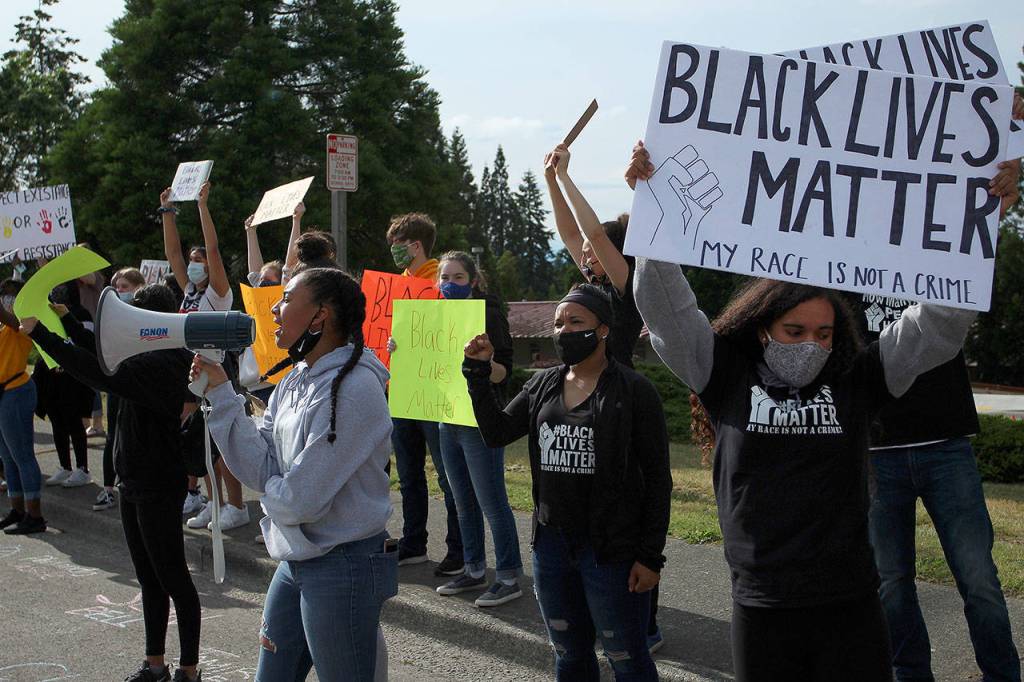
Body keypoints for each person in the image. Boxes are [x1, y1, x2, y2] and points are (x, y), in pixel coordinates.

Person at [627, 139, 983, 681]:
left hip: (852, 602)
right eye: (794, 332)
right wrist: (654, 211)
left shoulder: (859, 378)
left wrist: (970, 216)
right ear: (762, 326)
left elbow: (937, 327)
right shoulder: (723, 371)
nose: (809, 345)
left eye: (823, 333)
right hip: (762, 605)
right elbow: (666, 305)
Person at [858, 156, 1022, 682]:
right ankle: (910, 674)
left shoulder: (932, 236)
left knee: (979, 579)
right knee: (890, 582)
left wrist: (1001, 186)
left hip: (945, 441)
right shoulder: (831, 253)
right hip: (875, 450)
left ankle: (1002, 674)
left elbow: (977, 233)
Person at [195, 268, 398, 681]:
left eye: (286, 298)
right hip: (297, 559)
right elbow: (261, 463)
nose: (274, 307)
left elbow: (300, 499)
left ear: (319, 316)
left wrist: (272, 493)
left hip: (343, 566)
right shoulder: (294, 381)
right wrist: (220, 393)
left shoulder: (354, 388)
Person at [463, 284, 671, 680]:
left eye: (576, 322)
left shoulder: (635, 391)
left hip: (612, 550)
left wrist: (650, 555)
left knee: (626, 657)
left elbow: (659, 480)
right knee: (570, 654)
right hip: (553, 546)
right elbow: (497, 432)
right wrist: (477, 376)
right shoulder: (543, 384)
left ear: (603, 329)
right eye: (558, 323)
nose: (564, 331)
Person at [22, 284, 202, 682]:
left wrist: (42, 334)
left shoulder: (166, 362)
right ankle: (155, 665)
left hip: (157, 483)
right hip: (134, 480)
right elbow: (101, 352)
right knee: (149, 577)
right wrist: (67, 318)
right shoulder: (143, 354)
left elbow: (95, 370)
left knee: (173, 578)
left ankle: (189, 671)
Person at [545, 142, 664, 649]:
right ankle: (601, 607)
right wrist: (552, 179)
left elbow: (591, 231)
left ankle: (644, 622)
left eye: (598, 252)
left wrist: (570, 178)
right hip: (587, 401)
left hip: (621, 401)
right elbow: (573, 233)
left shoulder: (627, 286)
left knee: (629, 505)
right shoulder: (591, 286)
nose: (585, 255)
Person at [390, 251, 524, 605]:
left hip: (480, 421)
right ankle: (474, 568)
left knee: (492, 501)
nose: (449, 284)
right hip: (444, 416)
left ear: (474, 282)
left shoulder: (489, 314)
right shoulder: (431, 316)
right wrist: (399, 350)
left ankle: (509, 575)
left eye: (458, 278)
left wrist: (485, 362)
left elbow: (505, 373)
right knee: (462, 500)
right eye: (444, 278)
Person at [160, 183, 249, 531]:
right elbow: (173, 255)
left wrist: (202, 207)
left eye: (200, 262)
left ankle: (238, 506)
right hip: (192, 368)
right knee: (201, 440)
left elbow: (212, 247)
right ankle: (215, 503)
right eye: (193, 261)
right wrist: (168, 211)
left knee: (221, 440)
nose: (194, 265)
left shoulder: (218, 294)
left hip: (216, 369)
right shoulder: (189, 291)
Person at [385, 213, 464, 575]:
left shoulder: (441, 281)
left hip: (433, 390)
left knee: (448, 475)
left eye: (398, 247)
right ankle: (414, 542)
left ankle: (458, 548)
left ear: (416, 245)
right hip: (402, 388)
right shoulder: (397, 284)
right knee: (410, 472)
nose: (394, 253)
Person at [92, 267, 148, 512]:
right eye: (117, 287)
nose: (119, 291)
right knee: (113, 434)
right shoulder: (112, 314)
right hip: (118, 379)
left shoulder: (147, 313)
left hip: (138, 383)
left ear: (138, 287)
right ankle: (108, 489)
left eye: (124, 287)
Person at [0, 278, 45, 535]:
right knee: (7, 457)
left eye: (11, 295)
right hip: (3, 393)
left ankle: (35, 516)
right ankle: (17, 510)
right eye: (3, 294)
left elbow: (11, 321)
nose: (7, 298)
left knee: (23, 456)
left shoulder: (23, 321)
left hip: (16, 390)